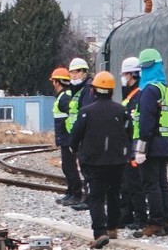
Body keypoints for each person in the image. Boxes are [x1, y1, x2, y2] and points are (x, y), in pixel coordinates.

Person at [71, 71, 133, 249]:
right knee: (114, 194)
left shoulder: (86, 112)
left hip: (93, 162)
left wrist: (75, 149)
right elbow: (129, 132)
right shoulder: (122, 110)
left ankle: (100, 233)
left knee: (95, 197)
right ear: (112, 91)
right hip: (117, 161)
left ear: (94, 91)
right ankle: (113, 227)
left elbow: (75, 136)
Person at [133, 48, 168, 238]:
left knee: (151, 184)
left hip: (150, 143)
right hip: (164, 142)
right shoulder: (166, 89)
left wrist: (141, 147)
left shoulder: (149, 90)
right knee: (162, 183)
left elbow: (146, 121)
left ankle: (155, 223)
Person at [118, 57, 147, 230]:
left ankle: (140, 218)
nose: (123, 77)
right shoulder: (130, 95)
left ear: (132, 74)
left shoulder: (138, 95)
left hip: (133, 146)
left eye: (125, 74)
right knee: (125, 184)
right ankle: (126, 215)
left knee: (134, 184)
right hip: (127, 146)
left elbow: (134, 123)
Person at [49, 67, 83, 206]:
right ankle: (70, 193)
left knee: (69, 167)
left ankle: (76, 194)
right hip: (66, 138)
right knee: (67, 167)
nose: (53, 84)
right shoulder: (65, 96)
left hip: (67, 138)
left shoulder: (65, 98)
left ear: (57, 83)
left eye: (54, 81)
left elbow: (73, 116)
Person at [66, 57, 96, 210]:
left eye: (77, 72)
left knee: (89, 170)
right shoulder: (79, 90)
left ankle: (91, 200)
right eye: (71, 72)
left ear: (84, 72)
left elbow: (85, 115)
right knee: (85, 169)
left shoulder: (88, 90)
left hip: (86, 137)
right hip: (80, 137)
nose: (73, 75)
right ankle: (89, 198)